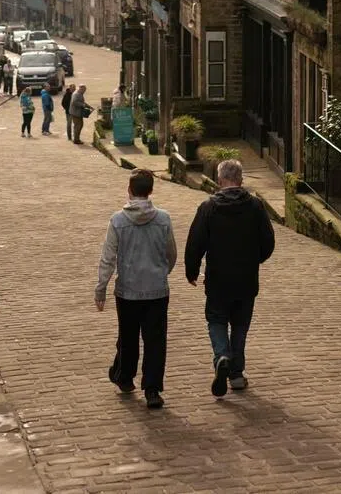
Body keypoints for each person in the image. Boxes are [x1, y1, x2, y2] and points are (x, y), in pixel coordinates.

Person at [184, 158, 275, 397]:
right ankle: (235, 374)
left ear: (220, 179)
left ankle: (222, 355)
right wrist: (254, 260)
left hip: (218, 279)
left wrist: (191, 270)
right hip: (246, 279)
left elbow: (195, 243)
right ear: (241, 180)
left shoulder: (209, 207)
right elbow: (268, 242)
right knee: (240, 326)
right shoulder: (255, 206)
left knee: (216, 320)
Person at [95, 168, 177, 410]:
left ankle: (126, 377)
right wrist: (161, 271)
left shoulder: (118, 220)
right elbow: (170, 253)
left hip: (128, 289)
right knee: (155, 340)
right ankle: (152, 388)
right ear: (150, 190)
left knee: (128, 336)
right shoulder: (163, 218)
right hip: (157, 290)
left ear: (130, 191)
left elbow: (108, 258)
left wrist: (100, 289)